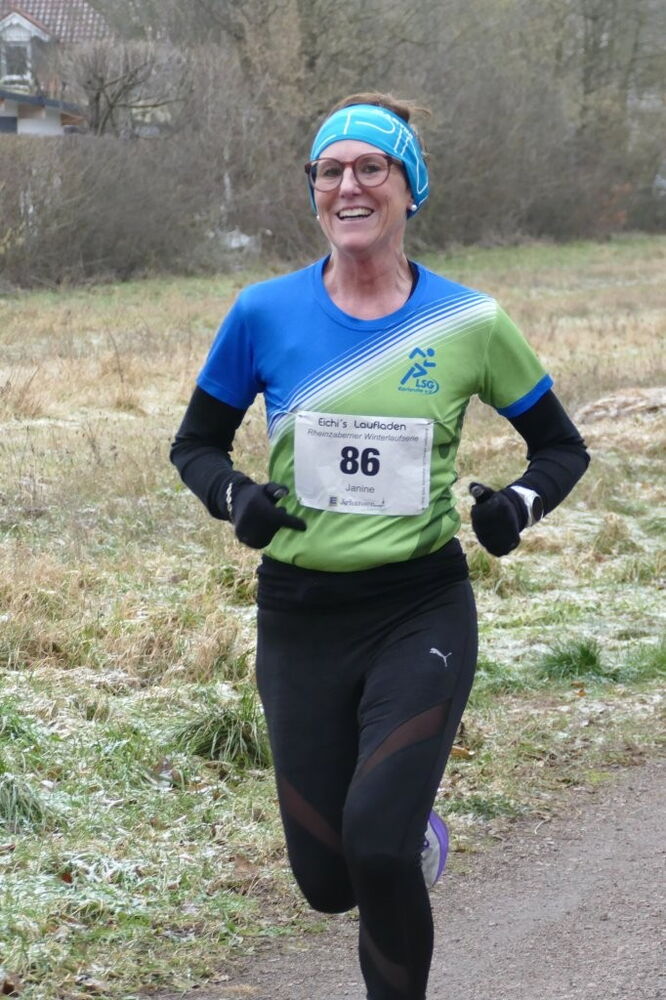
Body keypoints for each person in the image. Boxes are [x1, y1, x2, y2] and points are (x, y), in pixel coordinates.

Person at [170, 92, 589, 1000]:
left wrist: (516, 507)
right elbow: (194, 445)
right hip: (300, 616)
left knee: (377, 847)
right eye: (330, 170)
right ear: (313, 190)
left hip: (418, 608)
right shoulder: (263, 313)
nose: (348, 185)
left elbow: (562, 448)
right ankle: (402, 836)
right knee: (329, 883)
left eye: (372, 167)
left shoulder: (469, 322)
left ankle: (395, 839)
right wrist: (236, 498)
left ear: (410, 188)